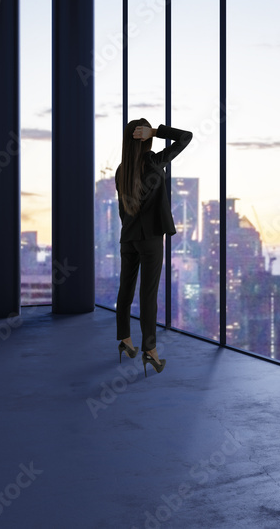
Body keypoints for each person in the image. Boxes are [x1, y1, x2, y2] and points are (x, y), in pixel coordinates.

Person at [114, 118, 193, 377]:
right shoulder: (153, 163)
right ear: (146, 138)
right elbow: (186, 137)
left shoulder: (120, 170)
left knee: (125, 289)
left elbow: (122, 210)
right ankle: (151, 352)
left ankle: (125, 340)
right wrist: (158, 132)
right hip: (150, 240)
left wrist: (129, 230)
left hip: (128, 237)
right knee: (148, 296)